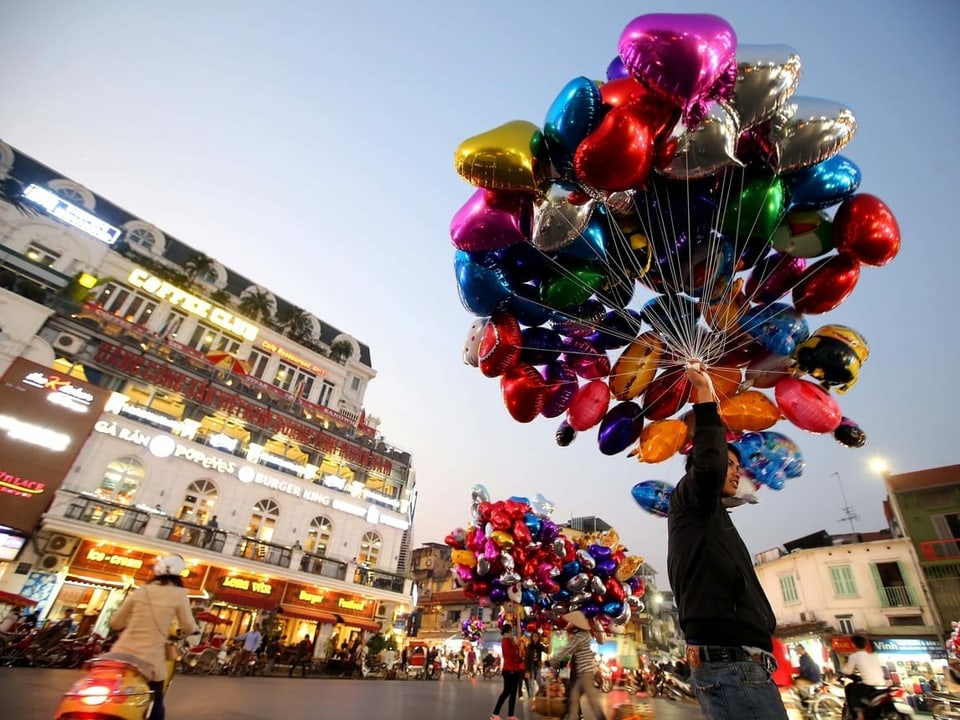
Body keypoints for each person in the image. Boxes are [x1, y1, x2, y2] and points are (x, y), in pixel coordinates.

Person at [666, 362, 787, 720]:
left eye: (737, 466)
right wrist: (705, 394)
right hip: (732, 668)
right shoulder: (690, 499)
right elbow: (709, 465)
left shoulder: (711, 517)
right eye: (729, 463)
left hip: (743, 668)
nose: (735, 471)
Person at [108, 554, 199, 720]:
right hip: (150, 658)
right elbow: (187, 624)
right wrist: (194, 630)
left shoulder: (141, 590)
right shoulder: (179, 594)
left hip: (120, 653)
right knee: (156, 699)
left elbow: (115, 622)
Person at [548, 610, 605, 720]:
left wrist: (551, 660)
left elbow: (567, 650)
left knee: (592, 702)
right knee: (574, 698)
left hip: (585, 674)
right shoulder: (586, 635)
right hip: (583, 673)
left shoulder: (580, 637)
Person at [842, 635, 887, 720]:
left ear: (853, 645)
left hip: (868, 685)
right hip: (881, 684)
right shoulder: (873, 656)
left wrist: (842, 670)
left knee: (851, 688)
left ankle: (860, 715)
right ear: (865, 645)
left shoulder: (854, 656)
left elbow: (848, 671)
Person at [491, 623, 523, 720]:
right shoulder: (505, 641)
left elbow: (515, 656)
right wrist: (516, 646)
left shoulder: (511, 641)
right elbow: (508, 654)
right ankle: (495, 713)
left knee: (513, 694)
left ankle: (511, 715)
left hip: (515, 669)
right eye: (510, 630)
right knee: (506, 692)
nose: (512, 632)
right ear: (507, 631)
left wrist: (518, 648)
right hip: (509, 670)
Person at [523, 629, 547, 700]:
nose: (535, 638)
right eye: (534, 636)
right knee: (531, 684)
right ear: (532, 637)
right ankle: (531, 699)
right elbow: (526, 658)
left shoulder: (540, 646)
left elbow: (546, 650)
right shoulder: (529, 646)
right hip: (530, 667)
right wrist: (526, 670)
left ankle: (541, 694)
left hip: (537, 666)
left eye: (537, 636)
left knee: (539, 680)